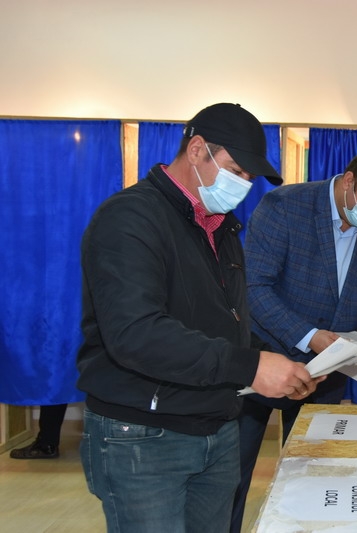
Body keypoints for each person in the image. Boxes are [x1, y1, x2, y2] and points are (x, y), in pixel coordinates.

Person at [77, 103, 321, 533]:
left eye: (249, 177)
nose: (243, 185)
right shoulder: (129, 218)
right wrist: (251, 366)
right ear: (196, 150)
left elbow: (225, 325)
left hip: (216, 426)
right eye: (236, 170)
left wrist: (282, 365)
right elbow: (136, 333)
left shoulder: (221, 228)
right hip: (144, 433)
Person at [232, 146, 357, 532]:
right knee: (232, 475)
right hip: (261, 359)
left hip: (326, 373)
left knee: (314, 475)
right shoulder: (285, 207)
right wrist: (307, 336)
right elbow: (253, 287)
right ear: (348, 181)